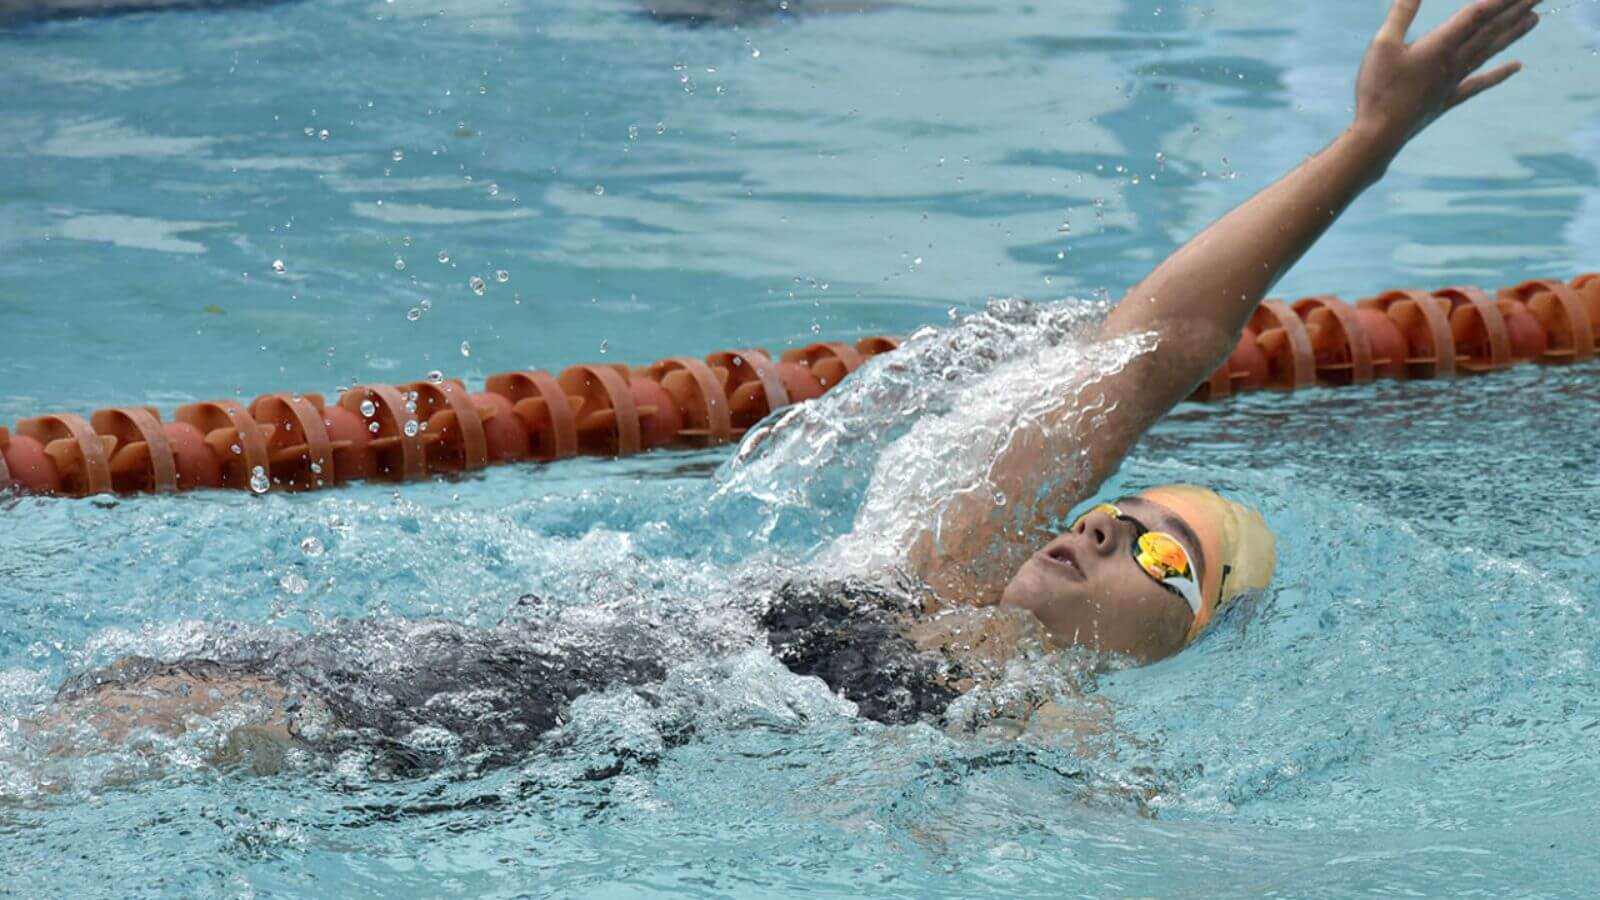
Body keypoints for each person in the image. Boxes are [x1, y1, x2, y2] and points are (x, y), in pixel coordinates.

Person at [31, 0, 1543, 776]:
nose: (1109, 529)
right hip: (403, 679)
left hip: (454, 759)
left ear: (1177, 642)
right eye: (1118, 509)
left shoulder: (1042, 735)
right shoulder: (930, 569)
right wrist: (1365, 145)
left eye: (1168, 555)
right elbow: (1153, 351)